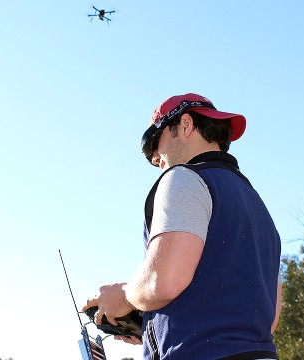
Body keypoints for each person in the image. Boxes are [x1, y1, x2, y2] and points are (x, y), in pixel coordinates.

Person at [83, 93, 281, 359]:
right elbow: (268, 320)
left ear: (185, 125)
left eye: (154, 141)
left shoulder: (183, 179)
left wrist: (124, 297)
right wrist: (155, 327)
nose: (155, 157)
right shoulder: (258, 207)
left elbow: (164, 282)